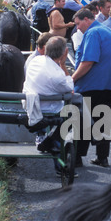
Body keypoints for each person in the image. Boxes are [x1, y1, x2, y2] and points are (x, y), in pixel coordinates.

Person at [72, 8, 111, 168]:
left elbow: (87, 62)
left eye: (78, 24)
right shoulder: (108, 30)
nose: (77, 28)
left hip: (92, 85)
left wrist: (71, 79)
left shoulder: (93, 33)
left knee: (82, 122)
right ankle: (102, 157)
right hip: (110, 84)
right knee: (103, 121)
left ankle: (77, 158)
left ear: (87, 19)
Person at [23, 36, 74, 174]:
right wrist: (63, 64)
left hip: (29, 104)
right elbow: (71, 90)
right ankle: (51, 142)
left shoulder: (36, 61)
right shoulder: (57, 76)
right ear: (64, 53)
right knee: (75, 111)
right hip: (49, 110)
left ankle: (50, 141)